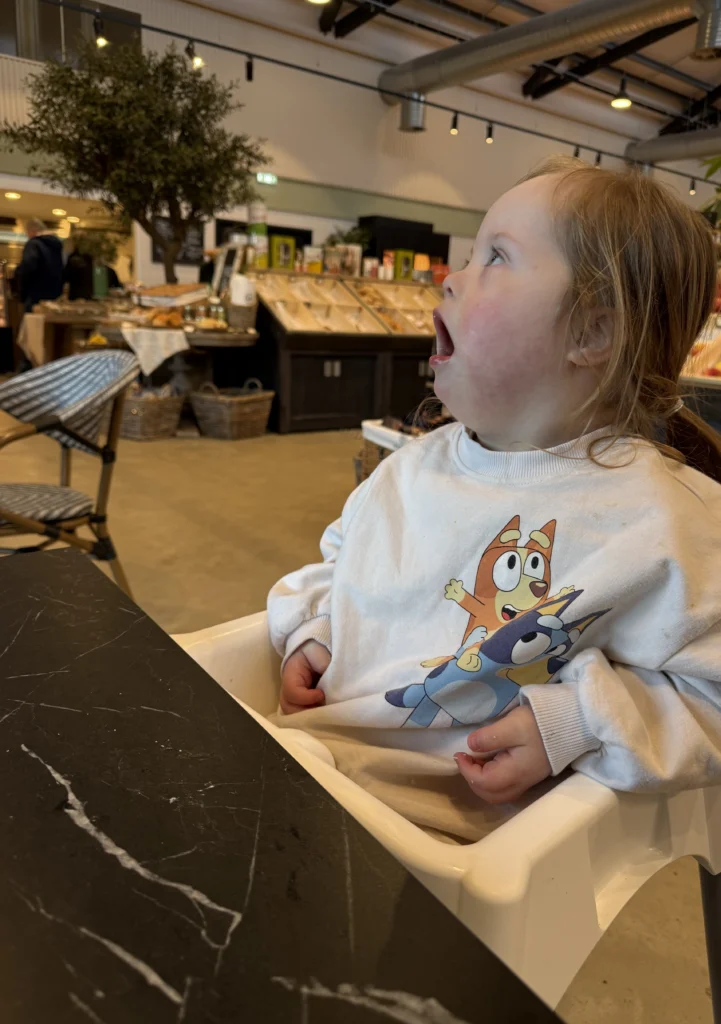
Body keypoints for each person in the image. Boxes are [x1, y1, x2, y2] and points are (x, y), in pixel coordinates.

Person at [267, 156, 721, 840]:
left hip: (435, 834)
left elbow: (710, 696)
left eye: (496, 257)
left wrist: (575, 723)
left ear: (592, 332)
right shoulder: (408, 469)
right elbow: (342, 563)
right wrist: (316, 628)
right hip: (299, 761)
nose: (451, 275)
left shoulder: (662, 523)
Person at [15, 218, 64, 312]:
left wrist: (22, 293)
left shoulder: (34, 244)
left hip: (35, 295)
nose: (27, 236)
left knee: (32, 324)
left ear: (32, 231)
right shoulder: (56, 245)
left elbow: (28, 266)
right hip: (54, 296)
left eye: (27, 233)